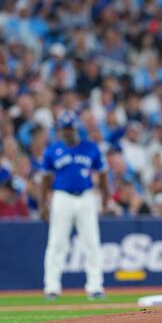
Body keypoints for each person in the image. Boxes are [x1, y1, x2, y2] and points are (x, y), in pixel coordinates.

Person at [40, 110, 110, 300]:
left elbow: (103, 174)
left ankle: (95, 286)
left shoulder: (90, 147)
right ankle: (52, 287)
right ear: (60, 130)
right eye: (64, 128)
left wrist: (105, 197)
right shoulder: (53, 150)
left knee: (91, 242)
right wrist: (42, 204)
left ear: (76, 129)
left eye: (70, 128)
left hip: (86, 196)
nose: (67, 132)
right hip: (62, 197)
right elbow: (45, 179)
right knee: (57, 243)